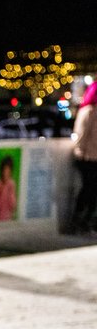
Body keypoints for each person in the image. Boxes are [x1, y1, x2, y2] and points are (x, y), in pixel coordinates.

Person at [69, 82, 97, 235]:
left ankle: (87, 221)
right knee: (88, 189)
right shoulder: (88, 111)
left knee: (92, 190)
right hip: (87, 158)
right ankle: (79, 220)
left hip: (93, 157)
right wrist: (80, 153)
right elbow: (81, 134)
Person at [0, 156, 17, 222]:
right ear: (1, 170)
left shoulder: (11, 184)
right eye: (4, 169)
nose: (6, 172)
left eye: (8, 170)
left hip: (8, 219)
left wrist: (11, 192)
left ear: (11, 170)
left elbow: (13, 206)